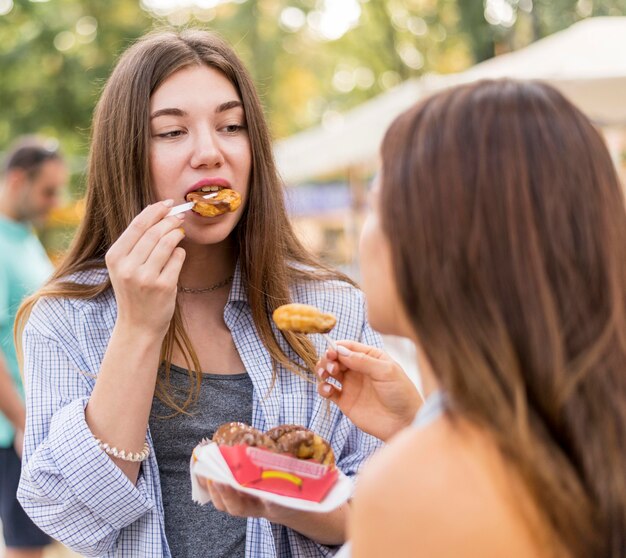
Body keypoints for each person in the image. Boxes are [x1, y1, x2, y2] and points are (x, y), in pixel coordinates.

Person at [15, 29, 381, 558]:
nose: (210, 153)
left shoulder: (331, 308)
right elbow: (68, 515)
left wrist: (284, 495)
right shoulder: (66, 318)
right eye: (171, 132)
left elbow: (379, 502)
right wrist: (138, 327)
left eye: (231, 126)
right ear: (125, 156)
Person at [316, 80, 626, 557]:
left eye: (376, 205)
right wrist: (418, 424)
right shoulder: (589, 440)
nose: (366, 234)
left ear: (437, 244)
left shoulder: (411, 491)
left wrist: (423, 447)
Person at [0, 138, 66, 558]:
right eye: (48, 191)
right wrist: (26, 424)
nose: (54, 203)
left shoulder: (24, 238)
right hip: (14, 432)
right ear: (18, 180)